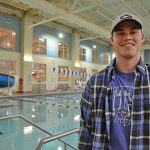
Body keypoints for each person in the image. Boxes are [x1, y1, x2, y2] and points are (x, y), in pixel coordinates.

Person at [78, 12, 150, 150]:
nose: (127, 37)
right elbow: (85, 135)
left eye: (133, 32)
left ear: (142, 38)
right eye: (120, 33)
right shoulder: (94, 83)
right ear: (111, 39)